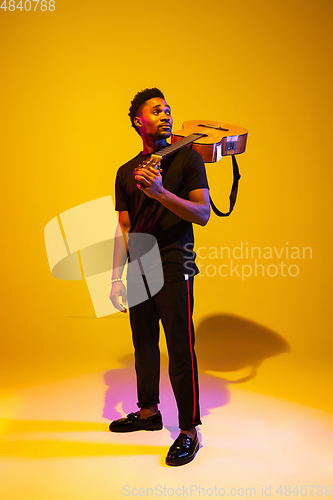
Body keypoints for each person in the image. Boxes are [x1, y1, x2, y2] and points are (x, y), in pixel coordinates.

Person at [109, 87, 210, 466]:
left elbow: (201, 214)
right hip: (139, 269)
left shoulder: (187, 159)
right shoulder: (124, 172)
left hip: (174, 264)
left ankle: (189, 431)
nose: (166, 114)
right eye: (157, 110)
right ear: (139, 120)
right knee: (145, 345)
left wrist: (161, 192)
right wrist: (117, 278)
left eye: (169, 109)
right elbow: (124, 228)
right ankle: (149, 413)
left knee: (180, 350)